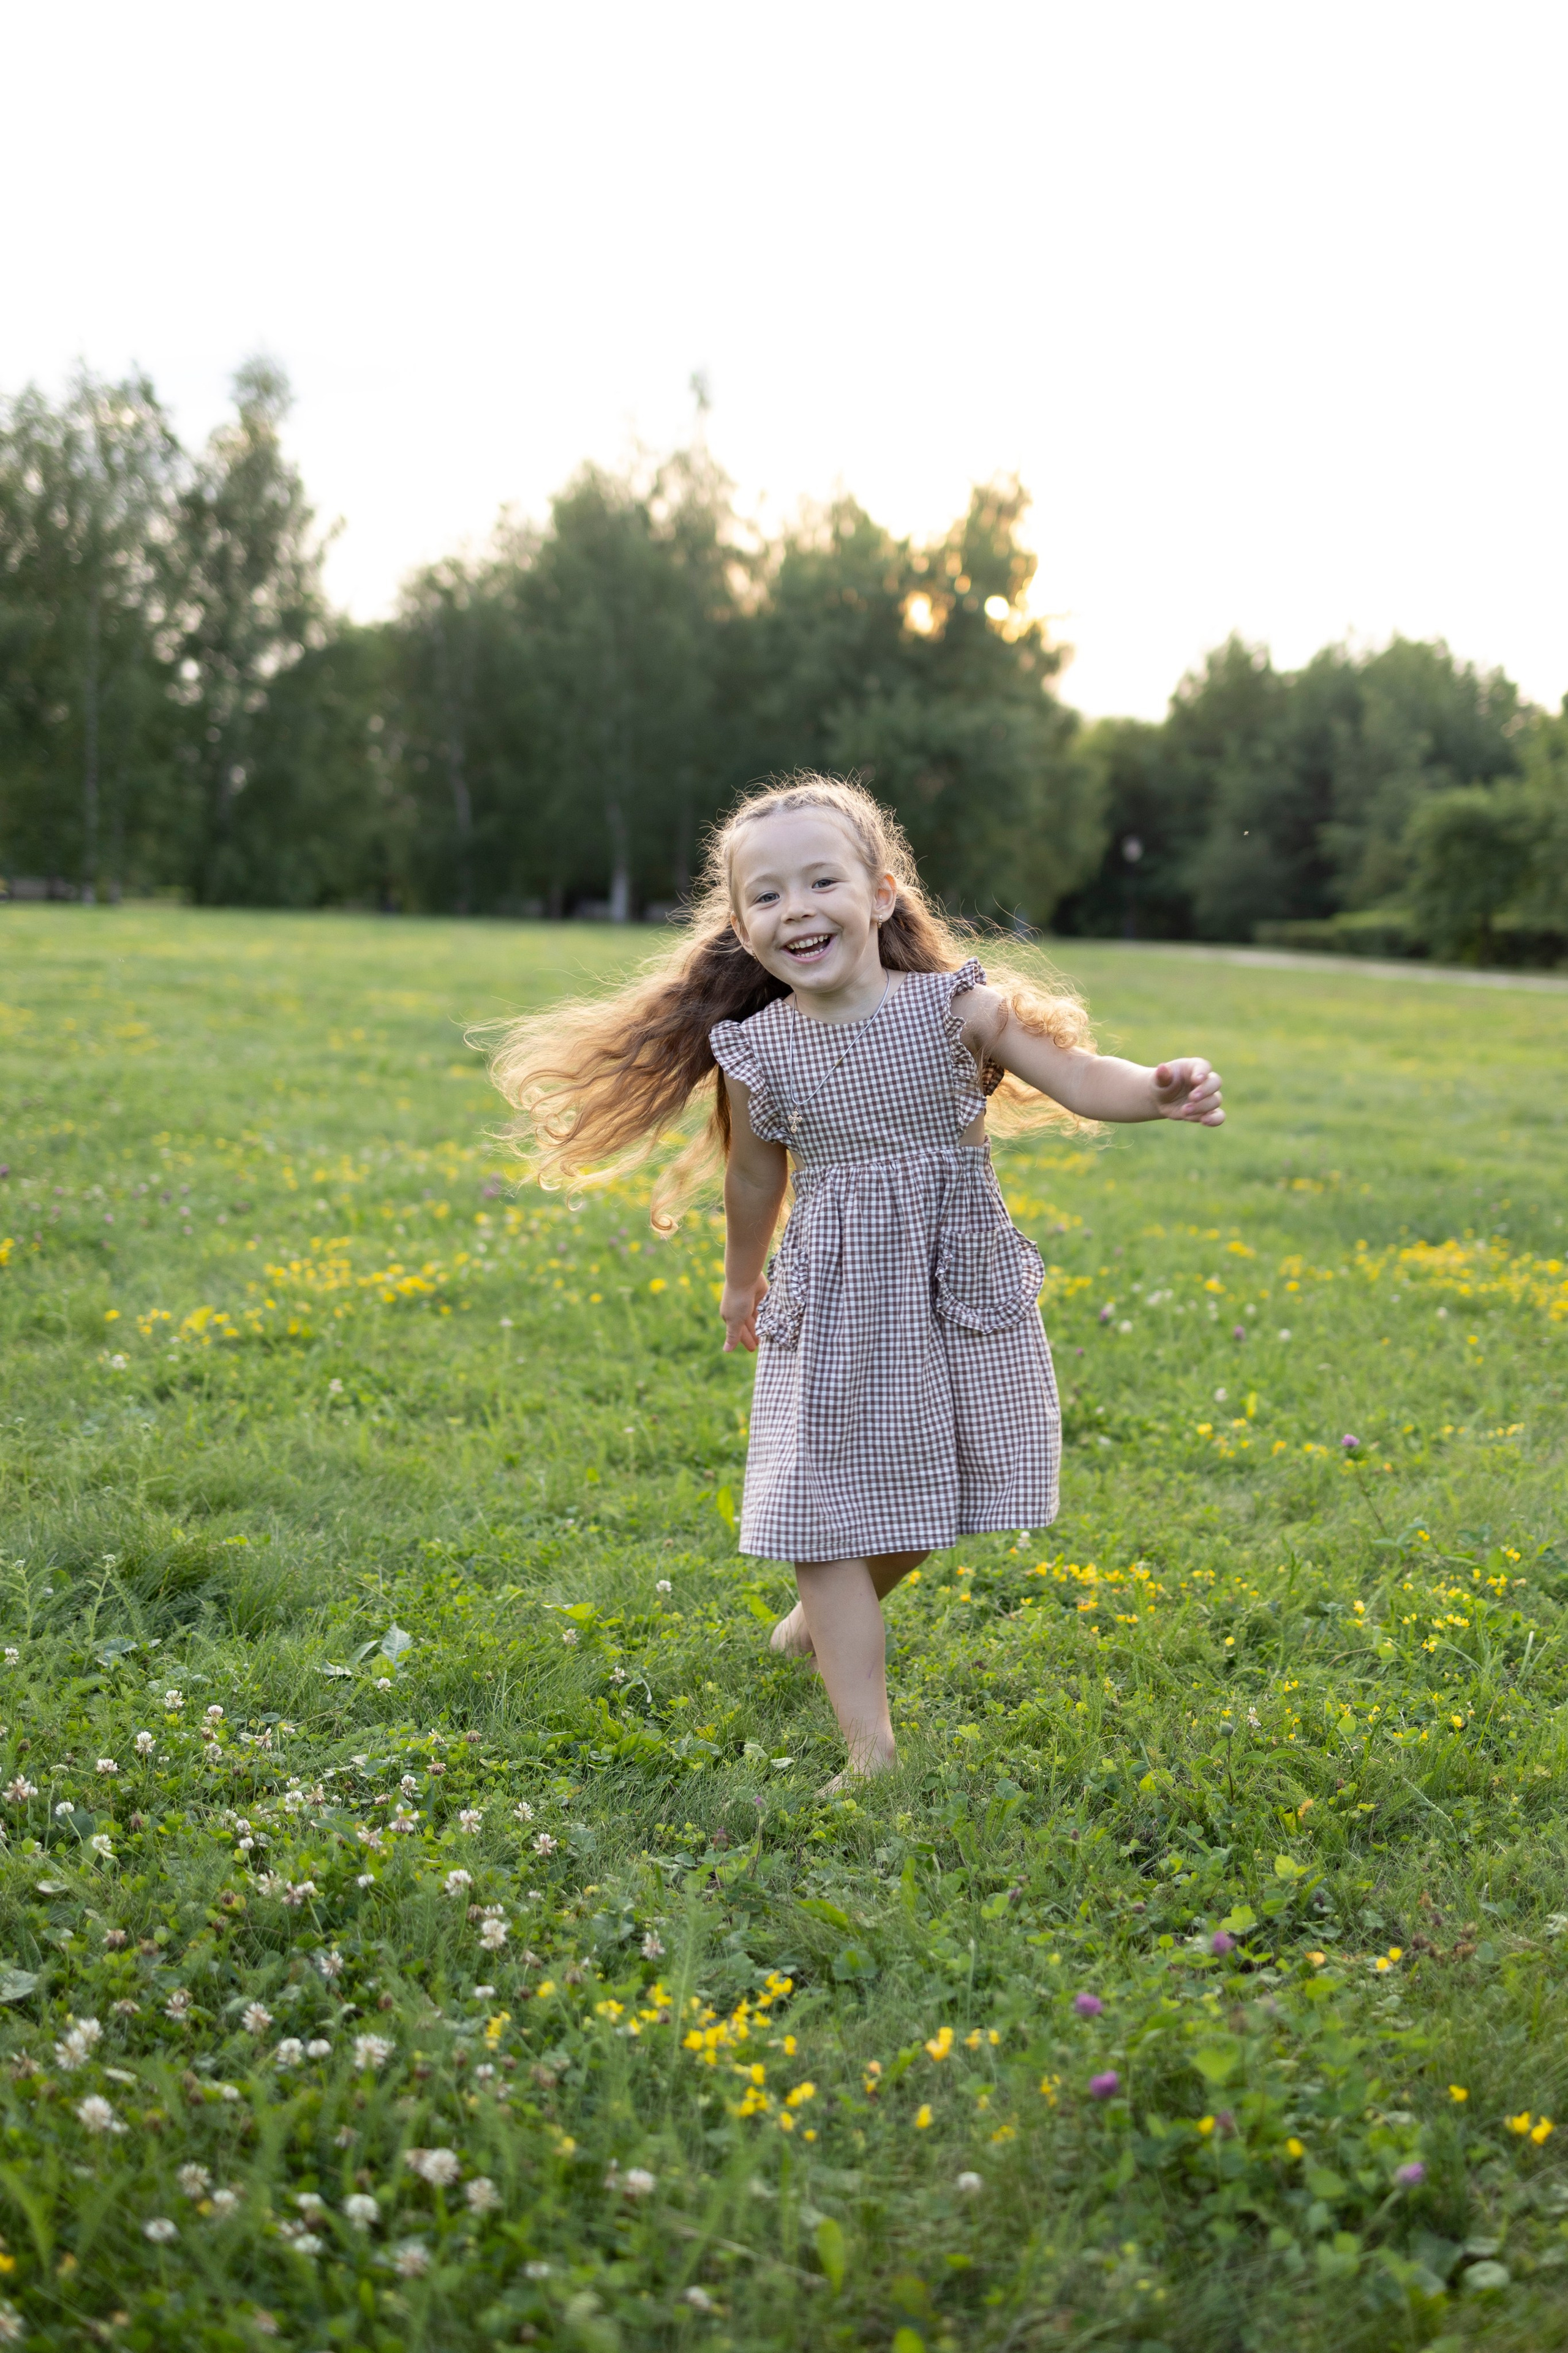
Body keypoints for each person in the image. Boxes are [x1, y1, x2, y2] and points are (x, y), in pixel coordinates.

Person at [486, 776, 1223, 1786]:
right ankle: (869, 1748)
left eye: (821, 881)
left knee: (937, 1494)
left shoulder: (958, 1007)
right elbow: (754, 1174)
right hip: (833, 1300)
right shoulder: (758, 1048)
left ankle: (821, 1623)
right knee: (821, 1513)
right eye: (769, 896)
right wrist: (743, 1281)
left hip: (950, 1288)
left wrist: (1159, 1090)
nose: (798, 909)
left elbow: (1081, 1075)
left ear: (880, 894)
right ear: (742, 928)